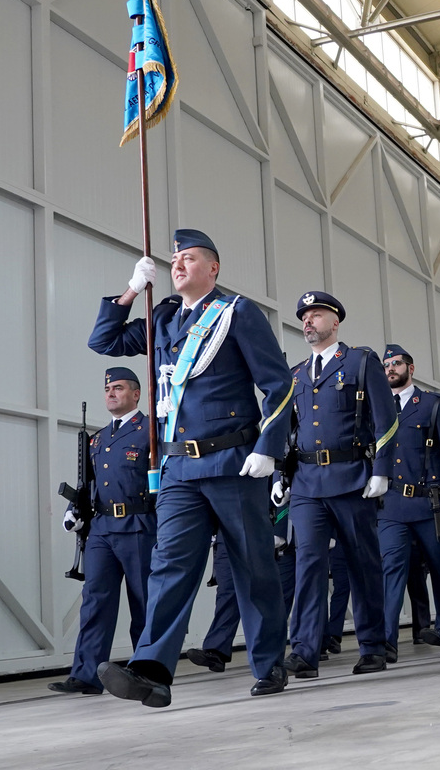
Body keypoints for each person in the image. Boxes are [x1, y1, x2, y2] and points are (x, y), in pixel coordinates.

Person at [89, 229, 294, 706]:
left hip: (232, 463)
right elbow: (104, 340)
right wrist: (131, 290)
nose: (178, 265)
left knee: (252, 567)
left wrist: (270, 446)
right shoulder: (160, 318)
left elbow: (278, 383)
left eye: (190, 258)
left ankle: (268, 663)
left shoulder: (237, 314)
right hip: (179, 469)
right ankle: (153, 670)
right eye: (175, 259)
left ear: (213, 268)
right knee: (170, 567)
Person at [275, 291, 397, 678]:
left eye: (316, 314)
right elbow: (290, 432)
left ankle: (373, 646)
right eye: (304, 316)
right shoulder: (295, 374)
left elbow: (387, 420)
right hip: (307, 483)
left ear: (335, 320)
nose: (308, 321)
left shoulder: (360, 362)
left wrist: (382, 470)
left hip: (351, 479)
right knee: (309, 564)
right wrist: (282, 475)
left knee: (362, 564)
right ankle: (305, 651)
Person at [49, 368, 155, 695]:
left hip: (139, 524)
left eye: (119, 388)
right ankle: (86, 674)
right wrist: (74, 511)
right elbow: (87, 486)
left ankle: (147, 671)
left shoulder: (151, 429)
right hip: (102, 528)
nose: (111, 393)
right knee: (95, 601)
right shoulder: (99, 438)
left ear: (136, 394)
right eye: (108, 388)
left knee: (144, 601)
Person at [378, 344, 440, 660]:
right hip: (390, 506)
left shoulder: (430, 404)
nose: (391, 368)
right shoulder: (379, 407)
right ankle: (386, 640)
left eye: (397, 363)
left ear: (410, 368)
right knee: (391, 571)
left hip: (429, 504)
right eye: (387, 364)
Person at [188, 525, 296, 673]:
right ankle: (216, 650)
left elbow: (278, 502)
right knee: (227, 591)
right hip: (225, 532)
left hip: (259, 528)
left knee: (268, 597)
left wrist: (279, 532)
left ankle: (271, 659)